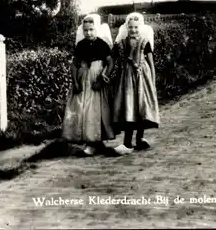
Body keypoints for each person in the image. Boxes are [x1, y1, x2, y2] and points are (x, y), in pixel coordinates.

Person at [62, 13, 115, 156]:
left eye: (91, 29)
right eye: (85, 30)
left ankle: (96, 140)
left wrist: (102, 78)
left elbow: (110, 63)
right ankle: (88, 141)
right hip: (83, 79)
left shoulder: (102, 44)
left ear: (96, 29)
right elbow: (74, 65)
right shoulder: (80, 45)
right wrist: (75, 81)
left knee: (96, 110)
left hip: (96, 80)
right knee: (82, 109)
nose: (88, 33)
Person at [112, 12, 160, 155]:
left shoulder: (145, 42)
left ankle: (140, 139)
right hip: (127, 79)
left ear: (141, 28)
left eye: (136, 27)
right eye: (131, 27)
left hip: (142, 78)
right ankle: (127, 142)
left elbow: (151, 63)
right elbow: (113, 57)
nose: (133, 30)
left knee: (141, 106)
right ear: (127, 28)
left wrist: (152, 79)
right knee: (129, 106)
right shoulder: (122, 42)